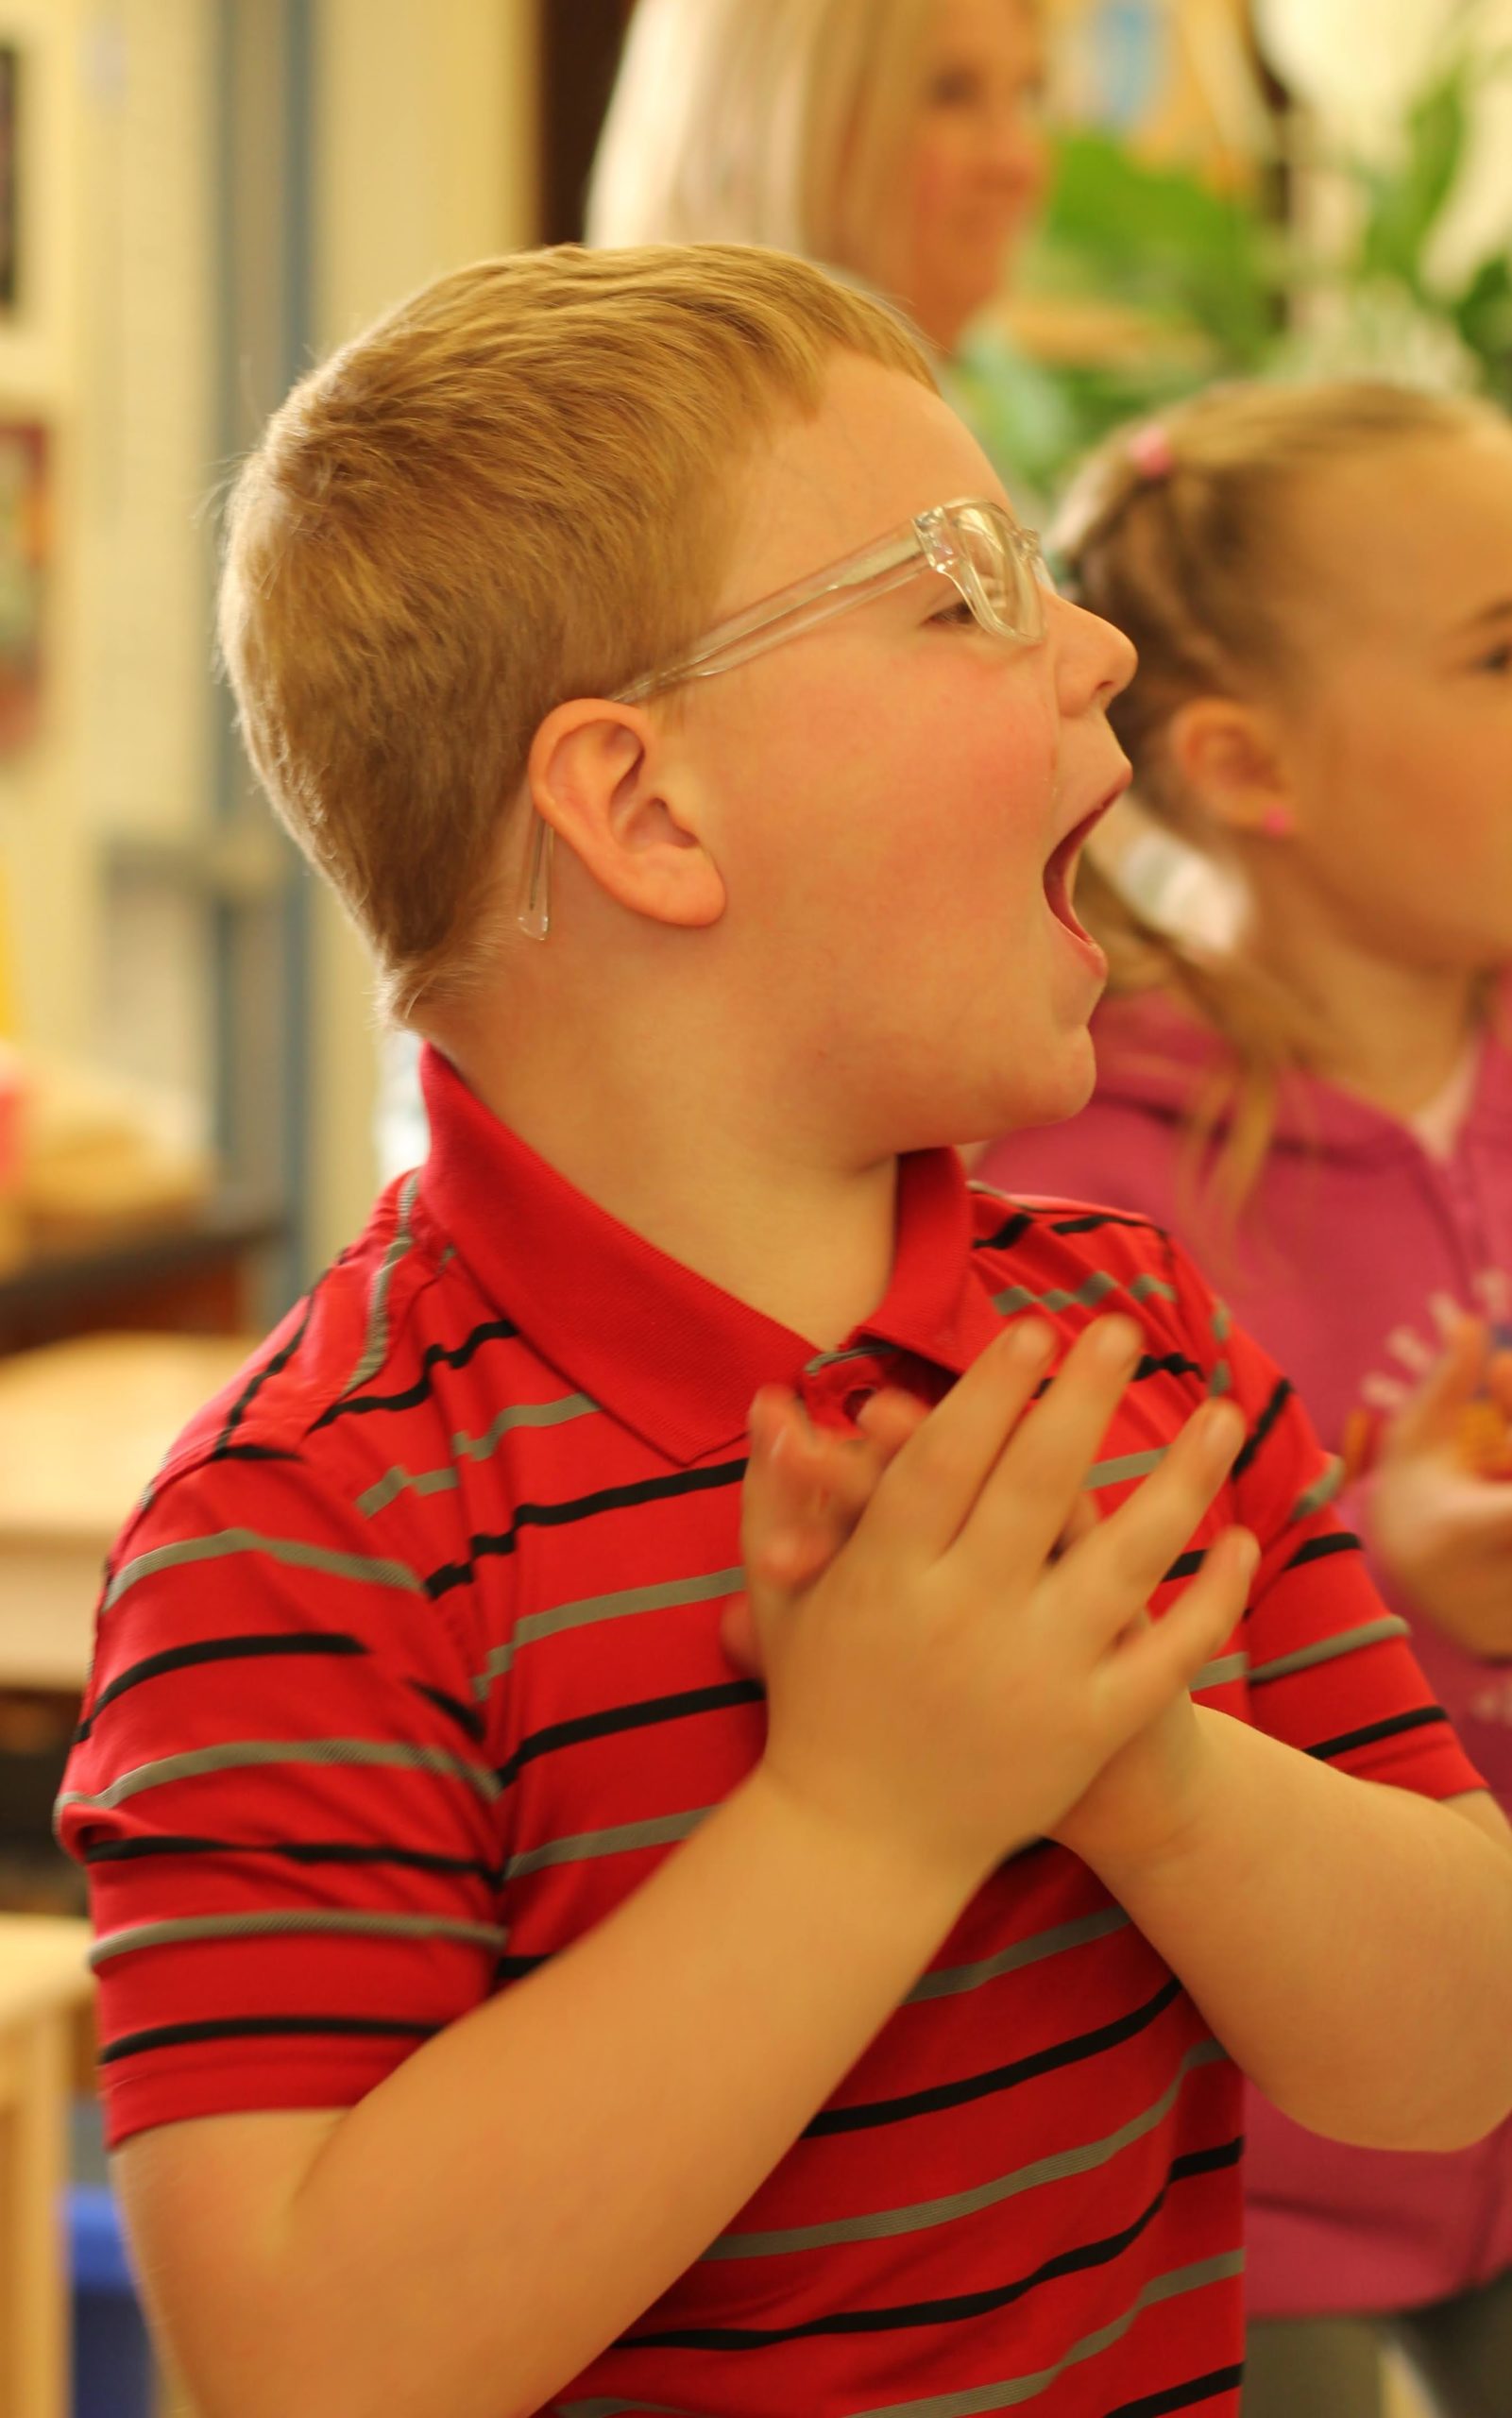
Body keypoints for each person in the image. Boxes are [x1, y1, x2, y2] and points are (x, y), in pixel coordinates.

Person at [53, 249, 1512, 2418]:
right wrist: (861, 1813)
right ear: (646, 812)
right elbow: (305, 2360)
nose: (1095, 646)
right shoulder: (310, 1520)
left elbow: (1451, 2045)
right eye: (964, 592)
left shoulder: (1130, 1343)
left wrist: (1138, 1763)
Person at [976, 376, 1512, 2417]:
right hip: (1233, 2210)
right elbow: (1056, 1699)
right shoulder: (1078, 1181)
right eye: (1497, 654)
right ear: (1238, 764)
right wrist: (1384, 1572)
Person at [586, 0, 1073, 507]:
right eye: (949, 93)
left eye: (1027, 94)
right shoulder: (833, 414)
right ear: (772, 113)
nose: (1018, 162)